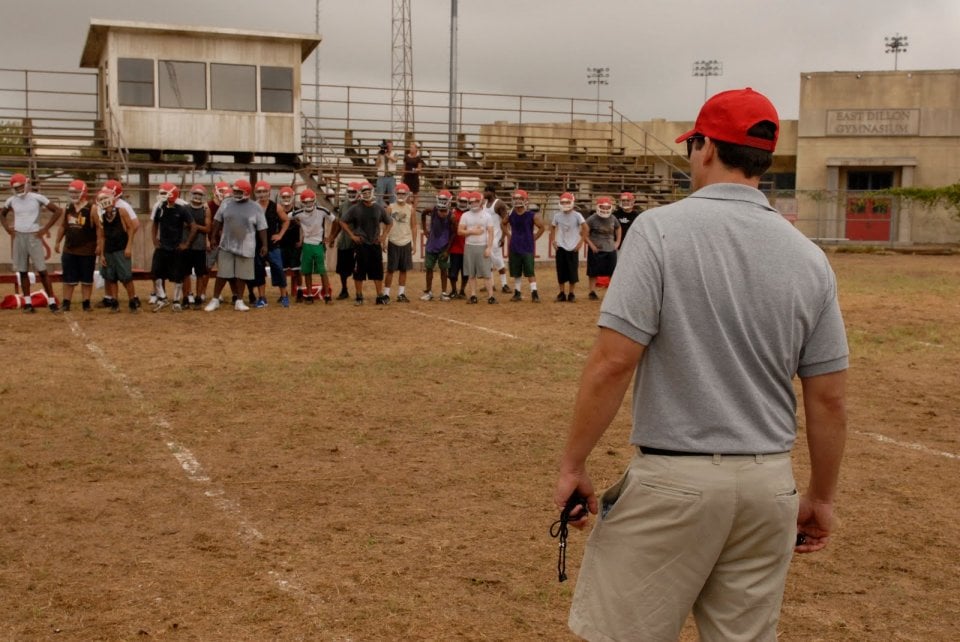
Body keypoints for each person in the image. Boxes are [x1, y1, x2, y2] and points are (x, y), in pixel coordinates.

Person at [554, 87, 849, 642]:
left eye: (693, 145)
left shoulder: (660, 229)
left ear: (706, 147)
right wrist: (822, 497)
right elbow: (829, 396)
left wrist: (573, 463)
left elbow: (613, 362)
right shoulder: (810, 257)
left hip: (674, 481)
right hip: (768, 487)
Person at [1, 173, 63, 312]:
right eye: (16, 187)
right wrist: (7, 229)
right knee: (22, 271)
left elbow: (57, 210)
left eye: (20, 186)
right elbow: (2, 214)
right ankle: (28, 303)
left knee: (42, 270)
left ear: (26, 184)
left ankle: (52, 302)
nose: (18, 189)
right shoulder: (11, 200)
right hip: (19, 235)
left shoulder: (37, 197)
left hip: (33, 235)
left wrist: (45, 228)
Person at [204, 179, 268, 312]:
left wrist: (264, 245)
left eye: (239, 191)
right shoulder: (226, 203)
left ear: (246, 193)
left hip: (246, 246)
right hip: (226, 244)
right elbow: (217, 220)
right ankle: (215, 299)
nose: (236, 193)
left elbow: (262, 227)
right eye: (235, 191)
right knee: (222, 273)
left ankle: (239, 301)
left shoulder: (256, 207)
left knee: (242, 275)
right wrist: (214, 236)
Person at [338, 181, 393, 305]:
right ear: (361, 194)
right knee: (359, 272)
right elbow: (342, 221)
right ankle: (359, 297)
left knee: (377, 271)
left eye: (368, 192)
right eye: (364, 192)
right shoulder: (355, 208)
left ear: (372, 192)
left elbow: (389, 222)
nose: (367, 194)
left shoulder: (378, 208)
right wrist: (352, 235)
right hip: (360, 245)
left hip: (374, 244)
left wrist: (383, 236)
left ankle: (379, 296)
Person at [54, 179, 102, 312]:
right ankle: (66, 303)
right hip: (69, 249)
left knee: (87, 279)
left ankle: (86, 303)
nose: (73, 195)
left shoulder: (92, 208)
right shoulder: (68, 208)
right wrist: (58, 242)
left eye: (76, 192)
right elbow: (63, 226)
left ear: (83, 192)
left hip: (87, 250)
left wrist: (99, 244)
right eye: (71, 192)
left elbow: (99, 228)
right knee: (68, 278)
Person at [95, 188, 141, 313]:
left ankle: (132, 301)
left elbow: (131, 229)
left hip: (121, 249)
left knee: (126, 277)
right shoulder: (101, 216)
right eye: (101, 200)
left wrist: (129, 246)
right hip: (109, 250)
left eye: (105, 198)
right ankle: (114, 302)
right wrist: (103, 255)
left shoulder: (122, 211)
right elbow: (103, 236)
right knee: (111, 277)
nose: (104, 201)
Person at [149, 182, 192, 312]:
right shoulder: (159, 206)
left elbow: (193, 226)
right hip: (163, 246)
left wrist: (186, 243)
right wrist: (154, 239)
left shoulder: (182, 207)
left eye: (164, 193)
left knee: (179, 275)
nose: (161, 195)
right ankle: (162, 298)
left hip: (176, 247)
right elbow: (155, 223)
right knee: (155, 272)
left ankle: (177, 300)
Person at [291, 189, 334, 304]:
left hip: (319, 244)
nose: (308, 204)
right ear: (302, 202)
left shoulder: (322, 210)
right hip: (306, 244)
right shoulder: (298, 213)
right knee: (307, 271)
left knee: (322, 271)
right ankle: (309, 295)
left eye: (310, 202)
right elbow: (285, 217)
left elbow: (336, 220)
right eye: (305, 202)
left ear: (314, 201)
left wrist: (331, 237)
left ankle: (327, 295)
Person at [505, 188, 545, 302]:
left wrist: (534, 238)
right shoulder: (511, 214)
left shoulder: (531, 215)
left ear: (525, 200)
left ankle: (534, 293)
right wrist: (508, 235)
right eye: (515, 198)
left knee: (529, 271)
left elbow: (542, 227)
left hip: (527, 247)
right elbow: (503, 223)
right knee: (516, 272)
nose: (517, 201)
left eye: (520, 198)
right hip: (515, 246)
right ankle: (517, 292)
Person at [457, 191, 497, 305]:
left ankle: (491, 296)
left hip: (482, 246)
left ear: (480, 202)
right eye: (472, 202)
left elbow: (491, 233)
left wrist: (489, 248)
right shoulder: (466, 215)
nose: (474, 203)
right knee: (471, 273)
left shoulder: (487, 216)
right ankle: (473, 295)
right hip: (469, 246)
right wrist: (472, 231)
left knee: (487, 273)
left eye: (476, 201)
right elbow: (459, 231)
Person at [548, 191, 588, 302]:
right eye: (563, 202)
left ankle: (571, 293)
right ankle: (561, 293)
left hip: (573, 247)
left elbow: (586, 228)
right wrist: (553, 241)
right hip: (561, 246)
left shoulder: (577, 215)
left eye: (567, 202)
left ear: (572, 202)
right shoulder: (557, 215)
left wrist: (580, 242)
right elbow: (552, 227)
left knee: (572, 271)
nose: (565, 204)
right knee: (561, 271)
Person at [383, 182, 417, 302]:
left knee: (403, 269)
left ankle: (401, 293)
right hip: (393, 241)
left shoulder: (411, 209)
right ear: (395, 194)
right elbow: (386, 225)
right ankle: (386, 294)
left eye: (403, 193)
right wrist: (384, 239)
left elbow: (413, 226)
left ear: (407, 194)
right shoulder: (390, 208)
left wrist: (414, 243)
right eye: (399, 193)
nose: (401, 195)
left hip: (406, 242)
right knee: (390, 270)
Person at [419, 190, 456, 301]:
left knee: (444, 270)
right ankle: (428, 291)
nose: (442, 213)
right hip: (431, 245)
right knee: (429, 268)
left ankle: (444, 292)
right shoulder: (433, 210)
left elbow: (454, 233)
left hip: (444, 246)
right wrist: (425, 229)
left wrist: (447, 250)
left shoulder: (451, 217)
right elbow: (424, 213)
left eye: (444, 211)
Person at [584, 196, 621, 301]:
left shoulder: (613, 218)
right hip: (596, 250)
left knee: (612, 272)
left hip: (610, 249)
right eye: (602, 207)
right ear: (598, 206)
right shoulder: (592, 218)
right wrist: (591, 245)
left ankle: (612, 293)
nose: (605, 209)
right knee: (593, 272)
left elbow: (618, 228)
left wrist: (617, 242)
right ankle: (592, 292)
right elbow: (583, 233)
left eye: (607, 207)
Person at [328, 182, 361, 301]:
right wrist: (332, 238)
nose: (351, 194)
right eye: (350, 192)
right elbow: (338, 223)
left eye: (354, 192)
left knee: (358, 268)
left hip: (358, 242)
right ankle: (344, 290)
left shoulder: (363, 205)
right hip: (344, 241)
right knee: (343, 269)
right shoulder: (343, 205)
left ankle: (359, 292)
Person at [182, 185, 213, 310]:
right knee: (185, 274)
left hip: (200, 247)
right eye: (195, 193)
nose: (197, 196)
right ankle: (185, 297)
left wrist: (192, 225)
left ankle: (198, 297)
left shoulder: (206, 210)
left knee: (200, 274)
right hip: (186, 245)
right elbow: (181, 225)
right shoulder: (185, 208)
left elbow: (207, 229)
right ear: (191, 194)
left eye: (200, 194)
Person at [482, 186, 511, 294]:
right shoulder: (484, 204)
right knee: (488, 262)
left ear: (493, 192)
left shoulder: (499, 204)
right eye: (484, 191)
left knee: (498, 261)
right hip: (486, 237)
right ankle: (491, 284)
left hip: (496, 236)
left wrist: (503, 237)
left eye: (487, 191)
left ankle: (504, 285)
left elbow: (505, 221)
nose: (484, 193)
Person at [277, 185, 303, 305]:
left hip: (295, 244)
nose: (286, 198)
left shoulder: (298, 211)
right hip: (281, 244)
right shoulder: (277, 211)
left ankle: (299, 292)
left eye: (288, 196)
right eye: (284, 196)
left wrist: (302, 240)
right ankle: (283, 293)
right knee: (281, 270)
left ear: (292, 197)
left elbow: (305, 226)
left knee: (297, 270)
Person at [446, 191, 470, 299]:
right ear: (457, 201)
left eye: (465, 201)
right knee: (452, 272)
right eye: (461, 201)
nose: (463, 203)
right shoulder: (452, 213)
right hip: (455, 247)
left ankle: (462, 291)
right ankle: (453, 290)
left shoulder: (471, 214)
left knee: (465, 272)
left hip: (467, 247)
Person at [403, 141, 425, 209]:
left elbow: (420, 169)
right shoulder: (406, 157)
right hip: (407, 177)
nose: (411, 149)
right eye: (410, 147)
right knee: (407, 193)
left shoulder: (418, 158)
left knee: (415, 194)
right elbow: (403, 168)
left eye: (412, 147)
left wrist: (415, 170)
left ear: (416, 149)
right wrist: (402, 177)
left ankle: (414, 209)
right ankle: (409, 207)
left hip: (414, 177)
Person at [375, 140, 397, 206]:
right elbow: (377, 164)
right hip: (381, 177)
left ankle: (392, 212)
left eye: (390, 146)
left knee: (392, 196)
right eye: (387, 146)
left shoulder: (394, 153)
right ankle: (379, 211)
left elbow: (395, 160)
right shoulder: (380, 153)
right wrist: (379, 155)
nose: (389, 147)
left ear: (392, 146)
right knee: (379, 195)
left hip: (391, 177)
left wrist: (387, 155)